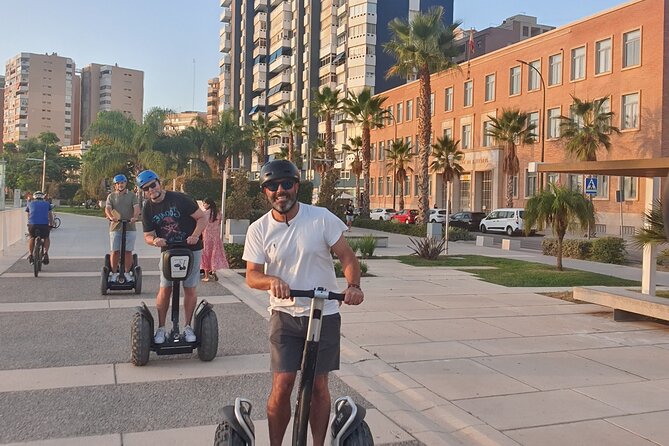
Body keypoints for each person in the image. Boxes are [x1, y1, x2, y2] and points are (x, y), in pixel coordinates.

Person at [242, 160, 364, 446]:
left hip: (324, 312)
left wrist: (354, 286)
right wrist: (271, 281)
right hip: (285, 314)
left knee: (319, 385)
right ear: (265, 192)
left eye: (286, 184)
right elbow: (252, 276)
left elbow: (346, 256)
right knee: (283, 384)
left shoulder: (321, 218)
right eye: (272, 186)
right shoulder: (258, 229)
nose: (280, 191)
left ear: (296, 186)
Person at [137, 169, 207, 344]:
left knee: (189, 287)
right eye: (146, 188)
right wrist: (155, 240)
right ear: (143, 192)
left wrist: (195, 235)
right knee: (165, 287)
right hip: (168, 251)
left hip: (191, 248)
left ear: (159, 183)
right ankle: (161, 329)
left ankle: (187, 326)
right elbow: (147, 235)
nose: (151, 190)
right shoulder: (148, 208)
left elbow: (202, 218)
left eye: (153, 185)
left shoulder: (180, 199)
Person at [104, 174, 140, 282]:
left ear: (125, 183)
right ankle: (114, 273)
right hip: (115, 227)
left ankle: (126, 273)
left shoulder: (132, 196)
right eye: (118, 183)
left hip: (130, 227)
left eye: (122, 183)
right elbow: (108, 208)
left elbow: (136, 208)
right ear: (115, 185)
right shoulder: (111, 196)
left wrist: (134, 217)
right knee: (115, 251)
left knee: (128, 251)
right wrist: (111, 217)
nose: (120, 185)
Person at [200, 197, 229, 282]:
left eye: (204, 203)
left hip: (206, 237)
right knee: (214, 254)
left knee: (205, 255)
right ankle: (213, 270)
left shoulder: (205, 213)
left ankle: (206, 276)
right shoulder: (218, 213)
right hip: (216, 237)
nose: (203, 205)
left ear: (208, 204)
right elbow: (219, 223)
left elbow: (202, 224)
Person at [25, 191, 54, 265]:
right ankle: (45, 253)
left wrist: (29, 223)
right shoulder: (47, 204)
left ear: (34, 197)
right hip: (44, 225)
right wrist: (51, 224)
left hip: (32, 225)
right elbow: (50, 215)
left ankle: (31, 254)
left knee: (32, 237)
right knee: (46, 237)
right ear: (43, 197)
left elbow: (28, 215)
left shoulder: (30, 203)